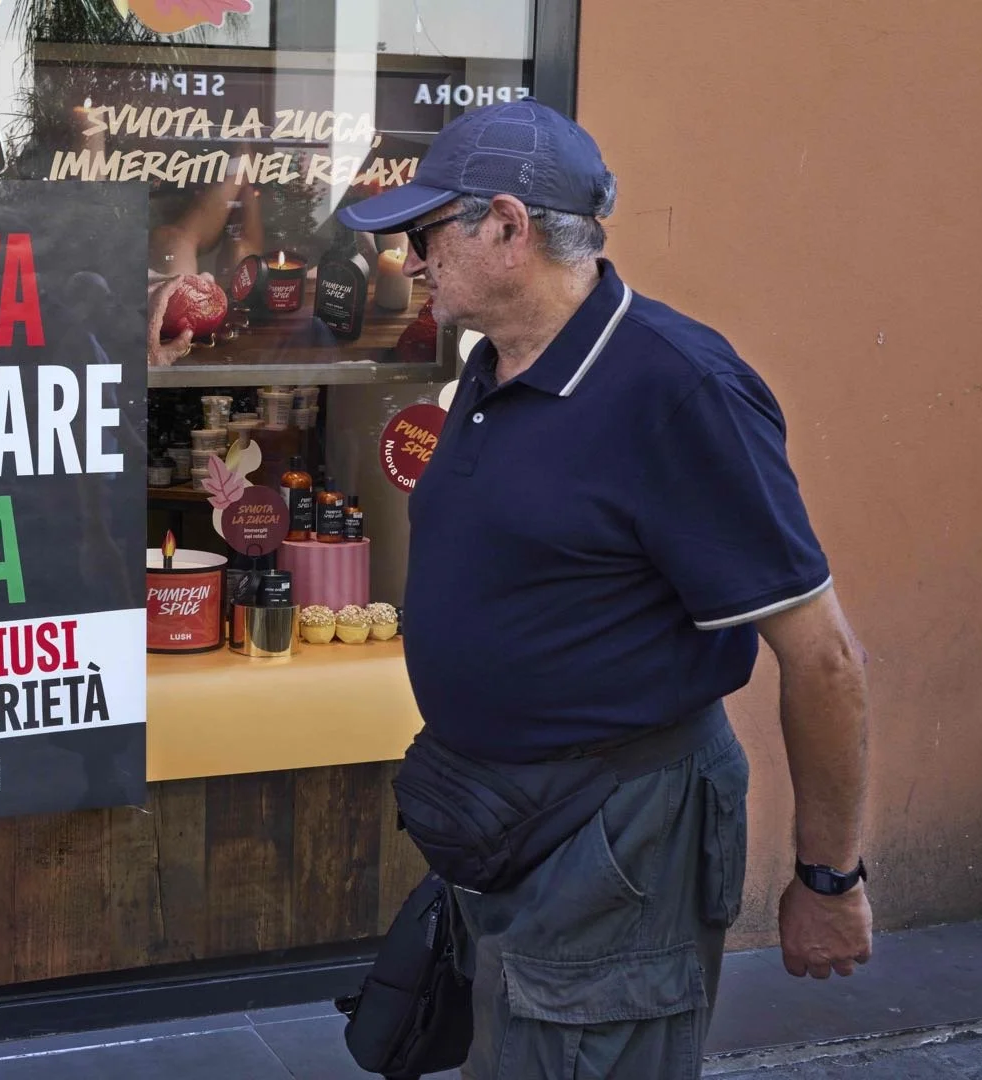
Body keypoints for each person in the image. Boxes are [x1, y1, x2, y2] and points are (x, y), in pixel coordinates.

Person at [337, 99, 872, 1078]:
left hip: (622, 834)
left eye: (424, 234)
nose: (409, 262)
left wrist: (829, 877)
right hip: (507, 823)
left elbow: (825, 657)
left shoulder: (678, 389)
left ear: (508, 226)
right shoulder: (497, 364)